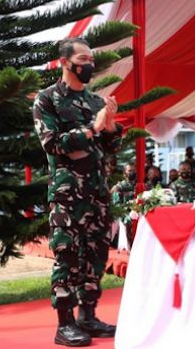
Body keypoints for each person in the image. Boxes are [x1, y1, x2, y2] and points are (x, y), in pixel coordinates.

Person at [33, 38, 121, 346]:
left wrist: (109, 127)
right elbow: (52, 143)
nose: (90, 64)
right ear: (65, 63)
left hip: (96, 192)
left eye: (92, 59)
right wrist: (92, 129)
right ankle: (65, 323)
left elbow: (111, 147)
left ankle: (88, 315)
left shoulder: (96, 102)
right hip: (67, 194)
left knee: (95, 256)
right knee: (67, 255)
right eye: (83, 58)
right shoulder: (47, 99)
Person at [111, 164, 137, 248]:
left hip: (138, 211)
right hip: (124, 212)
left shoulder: (139, 185)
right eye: (129, 171)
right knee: (128, 220)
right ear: (124, 173)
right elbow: (117, 204)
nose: (132, 172)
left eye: (133, 170)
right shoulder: (119, 187)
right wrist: (129, 208)